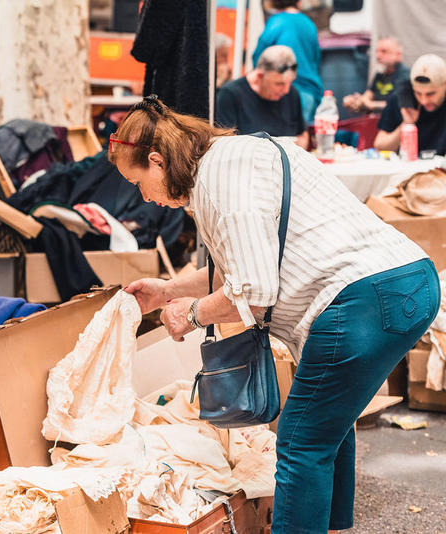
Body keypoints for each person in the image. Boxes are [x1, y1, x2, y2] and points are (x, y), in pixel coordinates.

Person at [111, 96, 438, 534]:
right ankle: (334, 527)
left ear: (156, 162)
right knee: (326, 427)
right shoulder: (233, 159)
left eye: (138, 183)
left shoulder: (220, 182)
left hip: (364, 298)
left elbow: (253, 291)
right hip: (404, 281)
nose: (145, 197)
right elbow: (237, 267)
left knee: (301, 442)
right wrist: (168, 290)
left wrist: (190, 315)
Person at [216, 46, 308, 149]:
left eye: (290, 83)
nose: (286, 90)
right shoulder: (229, 95)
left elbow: (302, 135)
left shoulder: (292, 93)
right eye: (279, 84)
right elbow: (226, 144)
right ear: (259, 76)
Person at [253, 0, 322, 123]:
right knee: (302, 139)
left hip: (286, 93)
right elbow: (316, 59)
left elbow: (258, 59)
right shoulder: (308, 23)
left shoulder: (276, 22)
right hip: (311, 92)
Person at [374, 54, 446, 155]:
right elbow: (380, 146)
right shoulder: (401, 99)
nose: (424, 100)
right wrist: (406, 124)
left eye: (430, 94)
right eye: (418, 93)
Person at [344, 37, 409, 114]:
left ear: (398, 55)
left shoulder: (405, 75)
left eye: (384, 51)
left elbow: (401, 105)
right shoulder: (379, 76)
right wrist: (355, 101)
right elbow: (366, 98)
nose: (378, 56)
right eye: (377, 51)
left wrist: (371, 104)